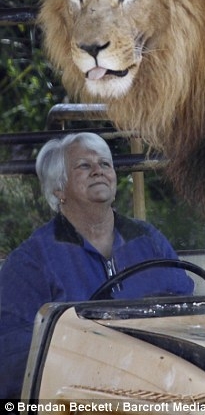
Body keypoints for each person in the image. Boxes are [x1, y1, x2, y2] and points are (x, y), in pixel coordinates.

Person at [0, 132, 193, 398]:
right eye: (84, 165)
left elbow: (187, 313)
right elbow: (10, 353)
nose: (98, 171)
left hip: (160, 388)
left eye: (105, 164)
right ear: (59, 189)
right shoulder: (33, 259)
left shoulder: (149, 240)